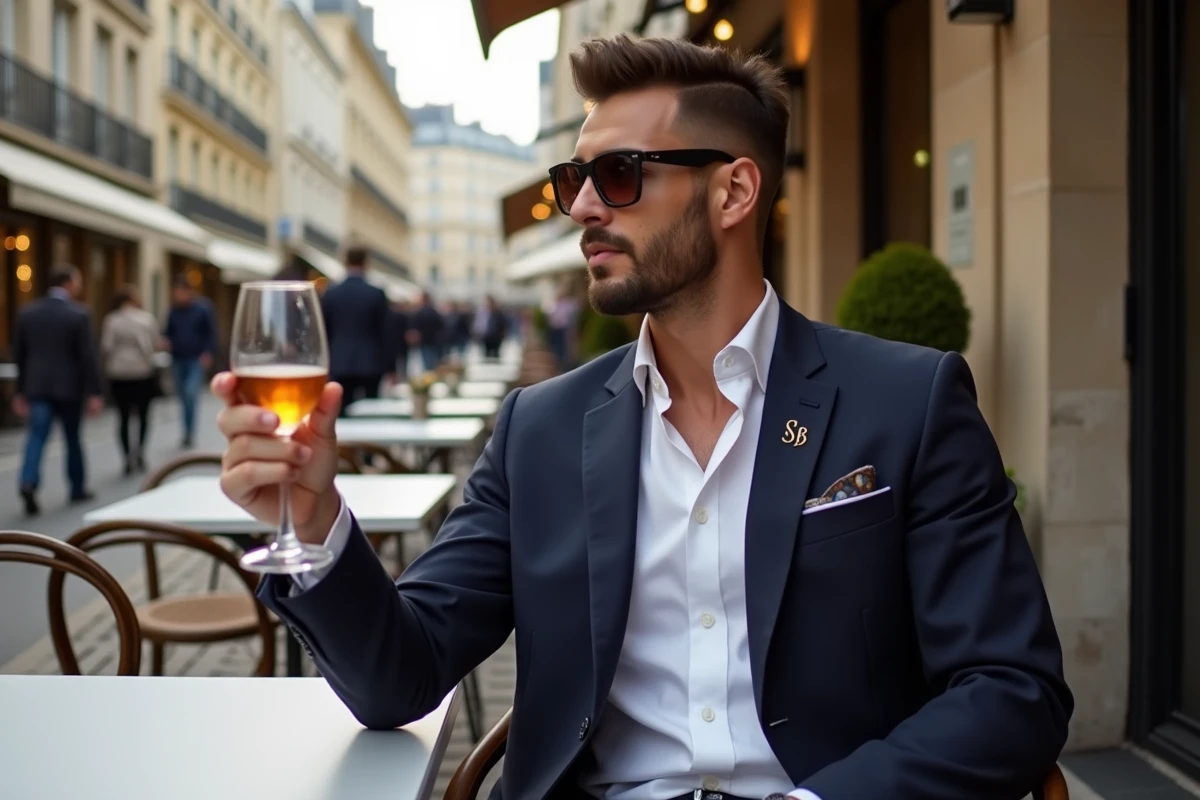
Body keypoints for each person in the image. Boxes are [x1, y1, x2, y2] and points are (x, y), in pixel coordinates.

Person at [213, 35, 1072, 800]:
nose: (583, 207)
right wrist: (320, 523)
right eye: (572, 179)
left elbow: (1011, 688)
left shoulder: (906, 402)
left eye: (619, 175)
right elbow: (402, 677)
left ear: (734, 191)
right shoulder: (540, 431)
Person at [13, 264, 103, 514]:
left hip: (37, 387)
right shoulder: (78, 314)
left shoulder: (28, 313)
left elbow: (20, 356)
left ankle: (28, 481)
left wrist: (19, 391)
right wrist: (95, 392)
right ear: (68, 283)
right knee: (72, 439)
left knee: (36, 437)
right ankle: (77, 487)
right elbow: (88, 357)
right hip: (69, 388)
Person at [319, 246, 394, 416]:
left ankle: (346, 444)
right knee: (372, 413)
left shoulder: (331, 293)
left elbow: (324, 331)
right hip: (371, 361)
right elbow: (387, 333)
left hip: (340, 360)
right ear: (366, 263)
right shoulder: (376, 293)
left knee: (341, 413)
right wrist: (391, 367)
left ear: (345, 262)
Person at [100, 284, 160, 475]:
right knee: (143, 415)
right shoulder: (145, 319)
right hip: (142, 371)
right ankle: (140, 452)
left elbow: (106, 346)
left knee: (123, 416)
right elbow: (152, 345)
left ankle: (126, 456)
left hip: (118, 372)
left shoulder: (111, 320)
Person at [162, 276, 216, 448]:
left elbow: (210, 333)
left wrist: (208, 353)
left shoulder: (202, 309)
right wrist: (165, 342)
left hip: (195, 358)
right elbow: (167, 332)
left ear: (188, 291)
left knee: (190, 393)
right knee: (183, 396)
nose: (178, 296)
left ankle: (189, 432)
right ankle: (186, 430)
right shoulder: (173, 312)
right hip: (178, 358)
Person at [473, 294, 508, 360]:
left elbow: (504, 324)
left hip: (496, 336)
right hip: (485, 336)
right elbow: (478, 323)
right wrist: (477, 332)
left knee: (495, 353)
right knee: (485, 354)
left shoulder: (498, 312)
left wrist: (502, 334)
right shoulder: (481, 312)